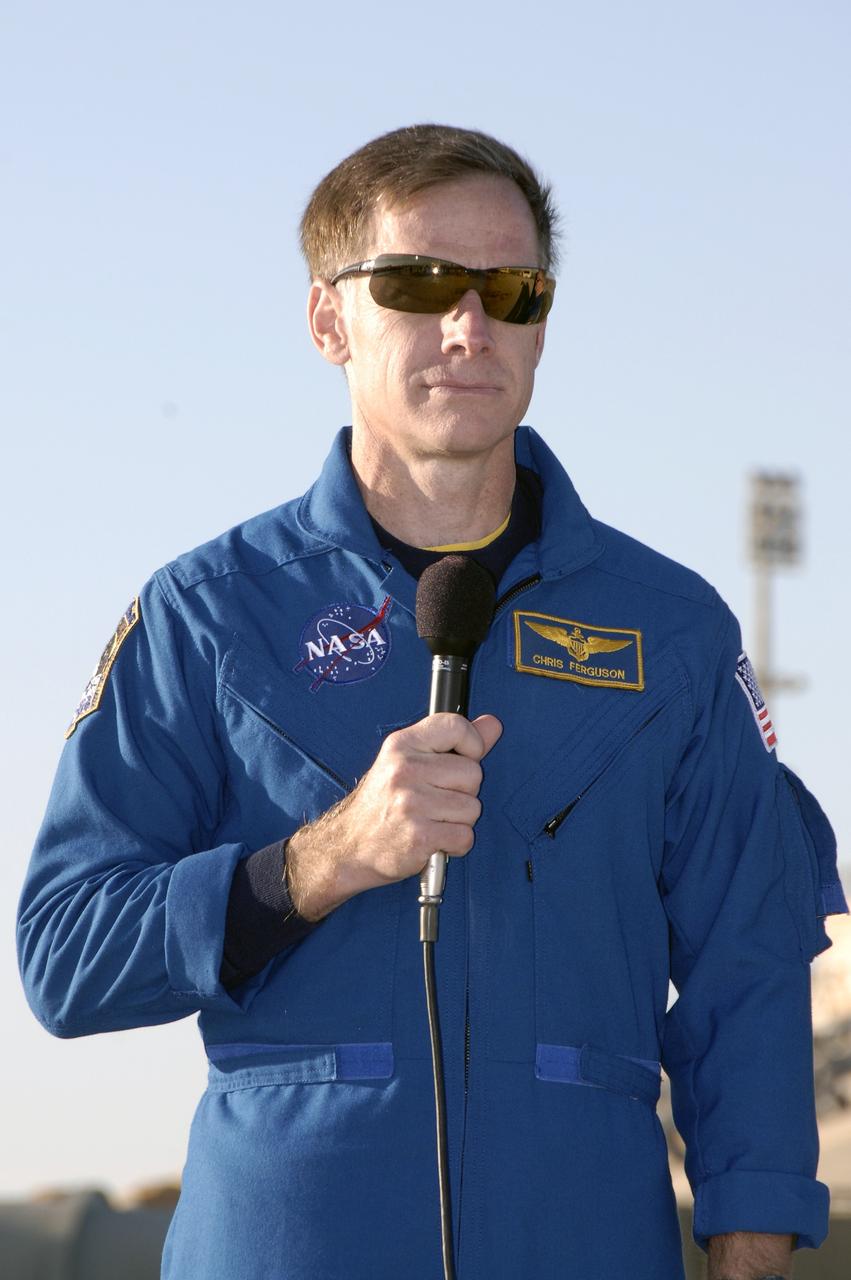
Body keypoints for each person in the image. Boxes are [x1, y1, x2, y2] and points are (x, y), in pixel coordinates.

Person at [16, 124, 847, 1280]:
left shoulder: (673, 629)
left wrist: (749, 1243)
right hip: (288, 1242)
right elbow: (65, 953)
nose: (469, 325)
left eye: (510, 289)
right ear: (327, 321)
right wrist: (323, 858)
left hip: (585, 1237)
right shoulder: (205, 615)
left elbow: (744, 967)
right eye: (418, 283)